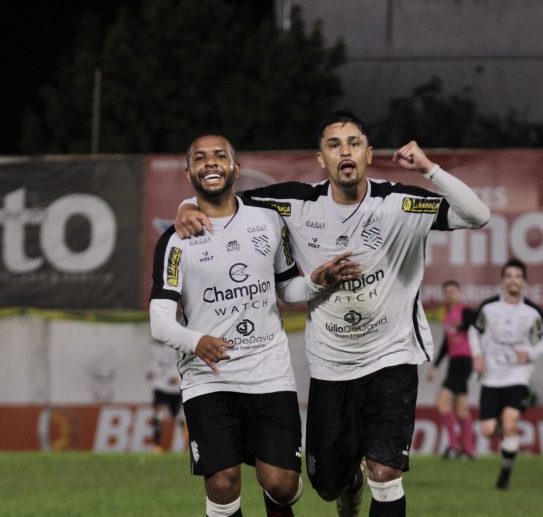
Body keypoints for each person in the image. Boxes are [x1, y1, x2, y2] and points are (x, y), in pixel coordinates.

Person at [175, 111, 490, 517]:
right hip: (331, 365)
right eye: (334, 144)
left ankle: (371, 476)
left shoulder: (398, 203)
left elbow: (477, 215)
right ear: (321, 159)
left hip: (391, 357)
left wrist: (430, 169)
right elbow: (222, 198)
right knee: (326, 484)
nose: (346, 151)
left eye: (354, 143)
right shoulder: (295, 203)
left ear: (369, 154)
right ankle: (348, 481)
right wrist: (187, 204)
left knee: (386, 471)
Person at [150, 134, 360, 517]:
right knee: (222, 482)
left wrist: (317, 281)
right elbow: (159, 321)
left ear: (236, 169)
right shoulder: (175, 241)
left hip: (268, 371)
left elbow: (287, 288)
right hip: (208, 377)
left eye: (219, 156)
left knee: (281, 484)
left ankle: (275, 498)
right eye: (200, 158)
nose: (210, 163)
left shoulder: (266, 220)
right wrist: (196, 341)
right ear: (188, 173)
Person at [468, 258, 543, 490]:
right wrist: (477, 355)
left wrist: (531, 354)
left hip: (518, 375)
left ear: (524, 281)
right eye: (509, 276)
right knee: (488, 431)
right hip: (491, 376)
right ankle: (501, 429)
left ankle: (505, 474)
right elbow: (474, 331)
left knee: (509, 423)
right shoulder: (488, 308)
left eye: (518, 276)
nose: (513, 280)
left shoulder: (532, 312)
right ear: (503, 280)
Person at [426, 280, 477, 460]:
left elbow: (477, 322)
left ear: (459, 292)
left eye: (453, 291)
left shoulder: (465, 311)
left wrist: (462, 325)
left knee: (442, 402)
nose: (450, 295)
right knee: (462, 409)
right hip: (454, 363)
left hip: (464, 361)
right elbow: (446, 344)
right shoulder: (447, 315)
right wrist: (435, 366)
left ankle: (453, 445)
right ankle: (469, 451)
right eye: (446, 292)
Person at [146, 339, 183, 454]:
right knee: (158, 414)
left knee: (175, 416)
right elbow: (154, 365)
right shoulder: (154, 348)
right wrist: (151, 373)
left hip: (174, 390)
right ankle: (157, 445)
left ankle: (187, 442)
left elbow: (183, 364)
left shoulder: (178, 346)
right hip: (160, 388)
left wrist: (177, 378)